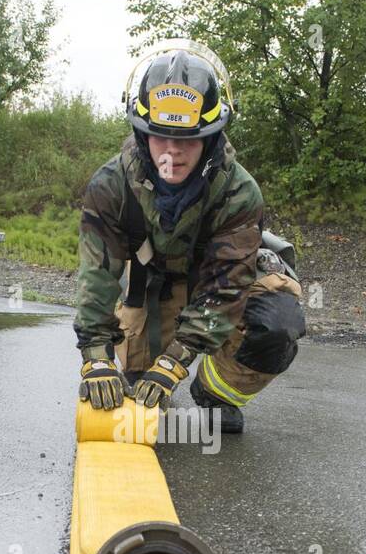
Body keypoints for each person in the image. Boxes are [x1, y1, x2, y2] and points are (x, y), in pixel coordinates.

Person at [74, 44, 306, 434]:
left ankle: (217, 394)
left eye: (189, 140)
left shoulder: (239, 192)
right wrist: (96, 356)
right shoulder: (110, 185)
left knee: (278, 325)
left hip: (216, 284)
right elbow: (97, 275)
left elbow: (227, 286)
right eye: (159, 136)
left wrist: (174, 363)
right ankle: (143, 358)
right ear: (140, 131)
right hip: (154, 285)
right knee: (135, 383)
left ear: (213, 138)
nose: (172, 153)